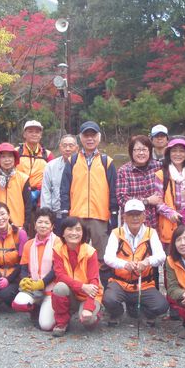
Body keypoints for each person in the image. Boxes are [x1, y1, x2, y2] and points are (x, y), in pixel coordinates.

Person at [60, 121, 118, 287]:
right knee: (75, 254)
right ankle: (77, 289)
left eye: (93, 135)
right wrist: (65, 213)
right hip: (76, 216)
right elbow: (64, 189)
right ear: (81, 138)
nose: (90, 138)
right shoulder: (72, 161)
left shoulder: (107, 162)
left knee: (103, 256)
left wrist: (113, 214)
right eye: (86, 135)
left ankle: (104, 292)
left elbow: (113, 190)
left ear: (99, 137)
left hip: (99, 216)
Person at [103, 199, 168, 327]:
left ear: (144, 216)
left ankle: (143, 312)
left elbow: (161, 256)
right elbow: (108, 258)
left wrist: (147, 262)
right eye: (131, 214)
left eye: (138, 214)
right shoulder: (117, 233)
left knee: (162, 306)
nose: (135, 218)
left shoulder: (151, 233)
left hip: (143, 284)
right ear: (124, 217)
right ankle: (117, 313)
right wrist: (125, 264)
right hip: (120, 283)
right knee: (108, 299)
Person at [51, 217, 103, 337]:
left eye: (78, 229)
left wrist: (89, 307)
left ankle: (96, 314)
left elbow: (94, 281)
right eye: (70, 229)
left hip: (89, 294)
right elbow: (60, 275)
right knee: (59, 287)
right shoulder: (58, 249)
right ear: (63, 233)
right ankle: (62, 322)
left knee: (87, 321)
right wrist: (82, 286)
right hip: (74, 292)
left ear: (83, 233)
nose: (74, 233)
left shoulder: (90, 252)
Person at [12, 208, 61, 331]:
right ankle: (36, 308)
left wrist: (42, 283)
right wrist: (24, 280)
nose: (43, 225)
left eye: (46, 223)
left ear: (52, 226)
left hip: (51, 288)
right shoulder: (29, 244)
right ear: (34, 225)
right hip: (34, 287)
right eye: (39, 222)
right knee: (18, 303)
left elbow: (57, 269)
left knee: (45, 326)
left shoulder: (58, 242)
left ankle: (57, 311)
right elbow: (23, 267)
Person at [116, 135, 162, 229]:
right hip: (132, 223)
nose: (141, 153)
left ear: (150, 151)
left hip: (155, 222)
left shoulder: (158, 167)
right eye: (137, 150)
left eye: (144, 149)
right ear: (131, 152)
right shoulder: (124, 171)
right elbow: (122, 199)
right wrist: (146, 201)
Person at [154, 137, 185, 248]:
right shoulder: (161, 175)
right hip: (169, 223)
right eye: (174, 151)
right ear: (169, 154)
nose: (178, 154)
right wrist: (171, 213)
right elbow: (158, 202)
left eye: (181, 151)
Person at [0, 143, 32, 232]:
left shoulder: (23, 178)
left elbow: (28, 205)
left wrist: (26, 225)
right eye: (3, 157)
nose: (7, 160)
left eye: (10, 156)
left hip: (18, 225)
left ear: (15, 158)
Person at [41, 134, 78, 233]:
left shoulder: (83, 166)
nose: (67, 149)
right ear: (60, 147)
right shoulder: (50, 166)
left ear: (77, 148)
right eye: (64, 145)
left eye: (71, 145)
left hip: (77, 214)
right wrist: (46, 216)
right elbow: (46, 191)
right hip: (57, 214)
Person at [16, 120, 55, 204]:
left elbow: (53, 177)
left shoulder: (47, 155)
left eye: (37, 132)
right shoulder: (16, 152)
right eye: (30, 131)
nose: (34, 134)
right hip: (18, 195)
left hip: (40, 198)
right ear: (24, 134)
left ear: (40, 135)